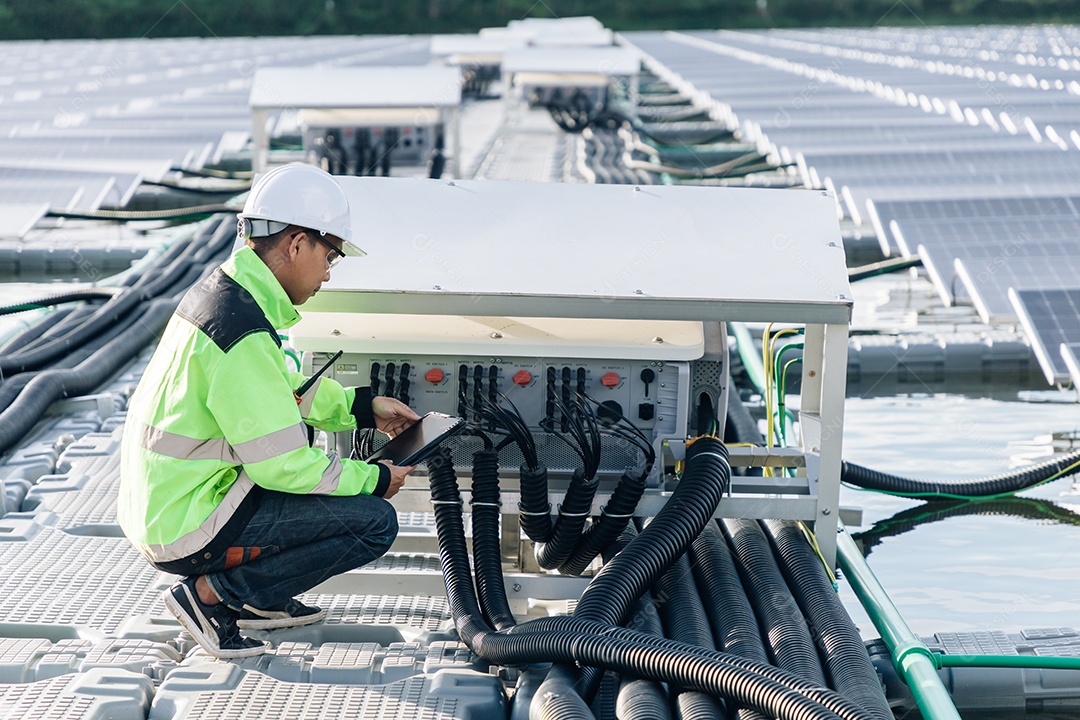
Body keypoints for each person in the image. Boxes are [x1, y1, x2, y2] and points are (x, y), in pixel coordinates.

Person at [119, 163, 420, 658]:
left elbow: (279, 392)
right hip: (187, 523)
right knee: (373, 521)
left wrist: (361, 408)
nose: (329, 270)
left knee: (341, 499)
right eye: (331, 255)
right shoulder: (243, 332)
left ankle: (259, 601)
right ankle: (211, 598)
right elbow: (281, 466)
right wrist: (373, 479)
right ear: (297, 243)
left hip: (171, 502)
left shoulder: (229, 297)